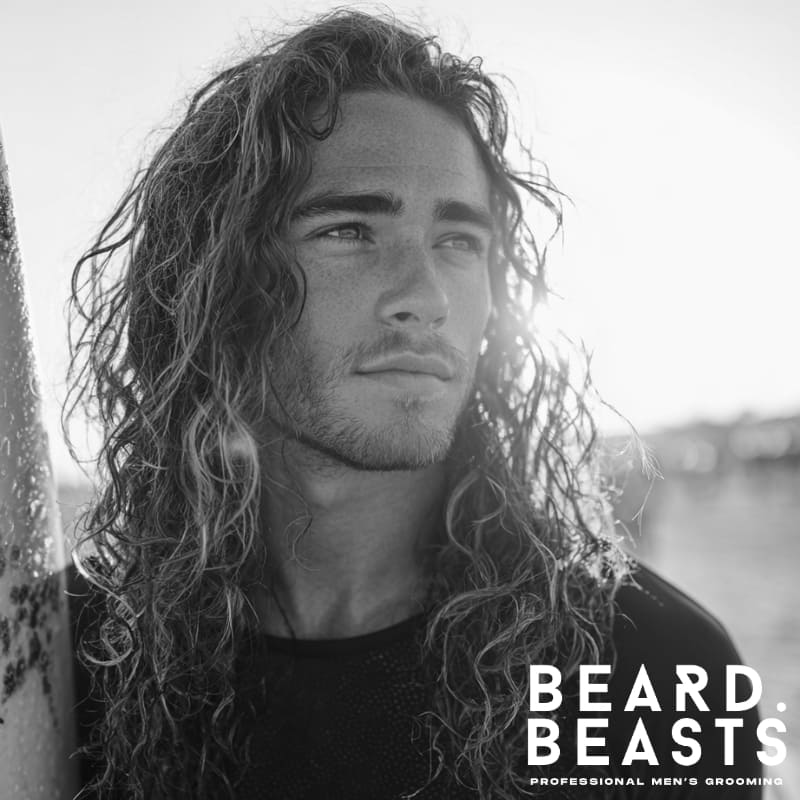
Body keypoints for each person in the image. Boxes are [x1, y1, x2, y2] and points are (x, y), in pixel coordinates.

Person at [64, 10, 763, 799]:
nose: (425, 298)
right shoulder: (70, 660)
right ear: (217, 283)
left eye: (459, 242)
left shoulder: (648, 667)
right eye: (351, 230)